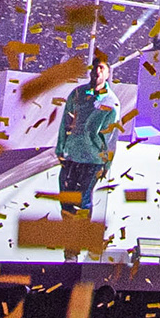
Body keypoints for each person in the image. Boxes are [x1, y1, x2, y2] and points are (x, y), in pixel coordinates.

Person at [52, 69, 120, 221]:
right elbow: (66, 122)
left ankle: (81, 232)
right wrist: (60, 148)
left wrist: (107, 163)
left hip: (93, 159)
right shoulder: (78, 94)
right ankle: (69, 231)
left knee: (83, 199)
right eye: (95, 67)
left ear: (108, 74)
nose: (97, 71)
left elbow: (111, 136)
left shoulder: (111, 101)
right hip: (72, 154)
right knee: (66, 197)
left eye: (102, 68)